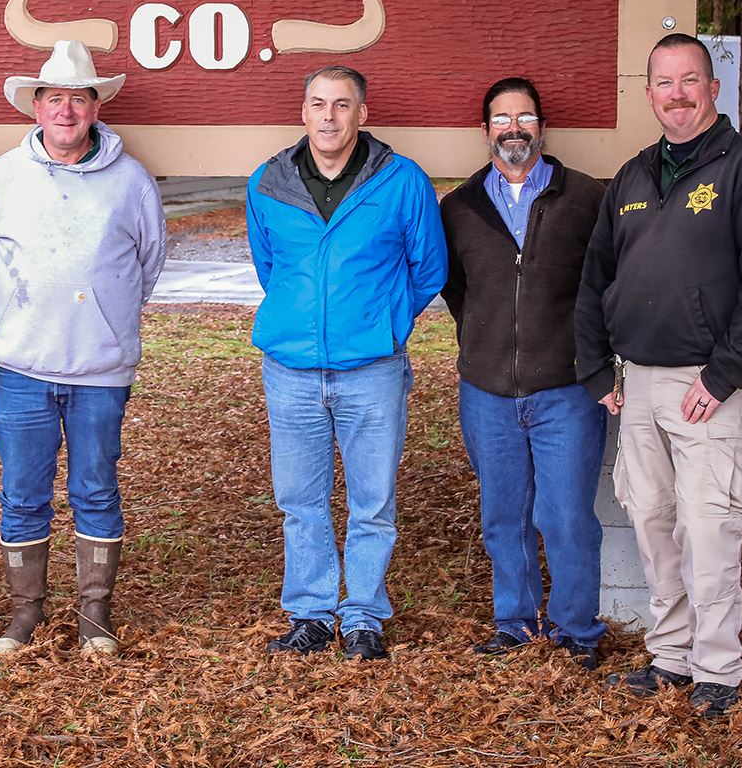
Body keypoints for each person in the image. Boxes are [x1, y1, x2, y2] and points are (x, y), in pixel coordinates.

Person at [574, 33, 742, 717]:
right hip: (638, 381)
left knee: (708, 529)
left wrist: (726, 374)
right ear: (649, 94)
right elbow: (596, 279)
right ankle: (670, 657)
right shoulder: (634, 177)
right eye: (664, 83)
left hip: (711, 387)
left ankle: (717, 671)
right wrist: (594, 367)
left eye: (689, 80)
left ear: (713, 87)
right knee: (651, 520)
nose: (676, 95)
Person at [245, 65, 447, 661]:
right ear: (302, 113)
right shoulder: (268, 183)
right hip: (292, 370)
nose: (328, 117)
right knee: (300, 500)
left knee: (373, 500)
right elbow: (270, 268)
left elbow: (428, 268)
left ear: (362, 113)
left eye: (341, 105)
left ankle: (362, 616)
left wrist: (383, 322)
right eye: (317, 104)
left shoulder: (402, 181)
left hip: (371, 369)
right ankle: (309, 614)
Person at [0, 39, 167, 657]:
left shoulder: (130, 180)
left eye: (78, 98)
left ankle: (94, 615)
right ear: (35, 106)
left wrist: (107, 316)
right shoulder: (4, 176)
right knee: (23, 491)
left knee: (96, 486)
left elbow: (149, 260)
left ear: (95, 107)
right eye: (54, 98)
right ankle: (24, 613)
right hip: (23, 365)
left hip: (100, 369)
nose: (66, 109)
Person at [439, 77, 608, 670]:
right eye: (502, 118)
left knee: (566, 516)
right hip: (486, 390)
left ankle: (576, 629)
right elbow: (458, 289)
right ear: (485, 130)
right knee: (503, 516)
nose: (515, 128)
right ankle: (513, 622)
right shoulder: (459, 207)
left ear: (542, 126)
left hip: (566, 389)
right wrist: (489, 340)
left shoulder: (586, 198)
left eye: (526, 117)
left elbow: (604, 286)